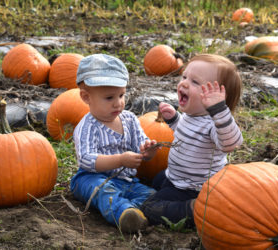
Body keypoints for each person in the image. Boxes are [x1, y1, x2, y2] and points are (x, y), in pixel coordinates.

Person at [141, 53, 243, 227]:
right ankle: (179, 200)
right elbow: (186, 133)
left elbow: (231, 143)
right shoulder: (191, 115)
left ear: (218, 99)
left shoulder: (215, 125)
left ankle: (193, 210)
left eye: (195, 82)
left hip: (193, 189)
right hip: (176, 177)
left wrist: (220, 111)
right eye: (185, 77)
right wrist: (174, 119)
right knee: (157, 180)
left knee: (149, 207)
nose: (184, 83)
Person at [70, 54, 159, 233]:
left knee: (152, 197)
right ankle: (123, 214)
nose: (118, 103)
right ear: (86, 97)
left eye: (121, 95)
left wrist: (148, 150)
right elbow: (86, 160)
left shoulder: (130, 119)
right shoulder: (87, 126)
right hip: (90, 178)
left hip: (127, 181)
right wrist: (120, 160)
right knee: (103, 190)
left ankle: (132, 211)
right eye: (109, 98)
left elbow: (141, 143)